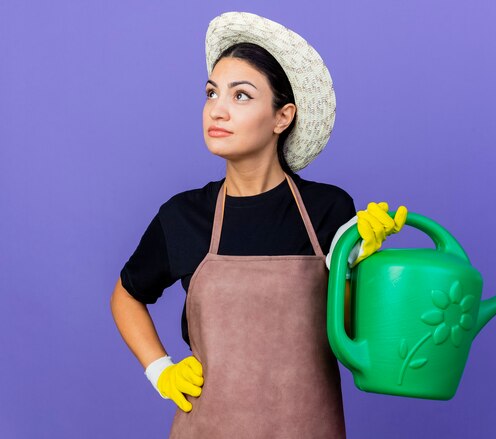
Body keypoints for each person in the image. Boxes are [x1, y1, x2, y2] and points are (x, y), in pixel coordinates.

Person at [110, 11, 407, 438]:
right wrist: (161, 371)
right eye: (212, 93)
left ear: (282, 117)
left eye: (241, 96)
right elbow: (126, 296)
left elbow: (351, 337)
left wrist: (359, 259)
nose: (218, 110)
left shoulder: (328, 209)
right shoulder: (183, 216)